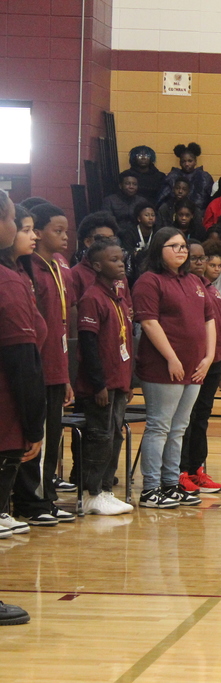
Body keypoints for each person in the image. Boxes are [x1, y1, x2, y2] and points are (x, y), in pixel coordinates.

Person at [133, 227, 215, 509]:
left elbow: (209, 320)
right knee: (159, 426)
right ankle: (151, 488)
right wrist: (171, 357)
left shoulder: (194, 280)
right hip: (163, 367)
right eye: (174, 246)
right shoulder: (149, 281)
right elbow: (149, 322)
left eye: (183, 246)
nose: (182, 251)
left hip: (195, 367)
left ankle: (171, 484)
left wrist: (208, 356)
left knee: (179, 427)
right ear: (159, 249)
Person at [12, 204, 74, 526]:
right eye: (56, 230)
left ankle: (45, 495)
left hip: (55, 365)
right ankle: (30, 501)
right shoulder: (27, 269)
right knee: (32, 438)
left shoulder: (60, 266)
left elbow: (62, 322)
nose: (63, 237)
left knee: (51, 439)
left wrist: (64, 374)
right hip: (34, 365)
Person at [74, 240, 136, 515]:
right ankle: (91, 492)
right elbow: (88, 345)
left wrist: (128, 382)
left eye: (121, 259)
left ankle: (107, 489)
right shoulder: (92, 298)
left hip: (119, 381)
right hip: (101, 385)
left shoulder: (117, 298)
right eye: (113, 260)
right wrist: (98, 383)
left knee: (115, 436)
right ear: (97, 266)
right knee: (100, 436)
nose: (121, 263)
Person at [0, 189, 46, 546]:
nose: (21, 228)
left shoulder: (17, 275)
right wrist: (34, 426)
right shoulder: (8, 282)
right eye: (15, 220)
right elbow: (21, 360)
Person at [178, 242, 221, 496]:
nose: (199, 262)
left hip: (215, 363)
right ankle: (182, 470)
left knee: (201, 419)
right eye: (194, 258)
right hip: (194, 364)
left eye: (202, 258)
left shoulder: (211, 288)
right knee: (186, 419)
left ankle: (197, 469)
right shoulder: (184, 287)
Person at [158, 142, 214, 215]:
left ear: (195, 162)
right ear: (180, 163)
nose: (187, 164)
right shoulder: (172, 176)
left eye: (190, 161)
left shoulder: (204, 177)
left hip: (200, 215)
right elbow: (162, 198)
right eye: (183, 161)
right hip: (175, 215)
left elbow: (212, 200)